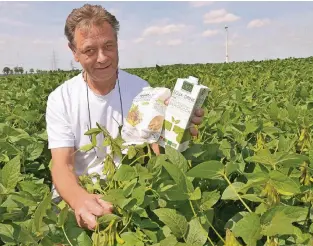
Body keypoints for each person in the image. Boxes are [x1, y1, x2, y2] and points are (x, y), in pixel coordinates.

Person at [45, 3, 204, 231]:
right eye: (90, 50)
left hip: (130, 193)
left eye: (108, 46)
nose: (102, 58)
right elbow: (62, 166)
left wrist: (176, 130)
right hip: (77, 196)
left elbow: (152, 155)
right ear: (74, 52)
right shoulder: (62, 98)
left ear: (117, 44)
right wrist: (80, 200)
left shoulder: (142, 90)